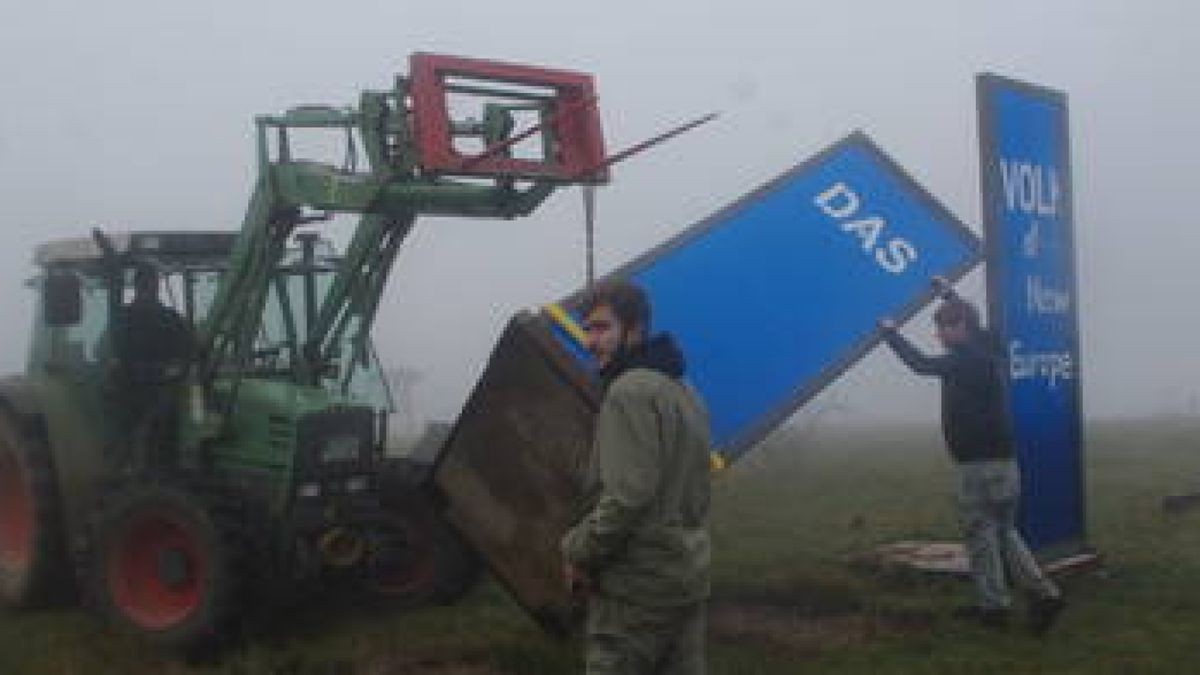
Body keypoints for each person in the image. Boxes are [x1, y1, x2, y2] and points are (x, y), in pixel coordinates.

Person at [878, 277, 1065, 636]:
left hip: (978, 466)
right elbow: (974, 323)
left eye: (944, 329)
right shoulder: (991, 349)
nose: (939, 336)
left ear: (960, 327)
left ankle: (995, 609)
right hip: (1004, 464)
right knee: (1004, 533)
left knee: (981, 538)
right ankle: (1043, 596)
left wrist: (890, 333)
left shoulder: (963, 361)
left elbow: (919, 364)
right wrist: (949, 293)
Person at [561, 280, 712, 674]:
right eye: (587, 329)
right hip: (685, 576)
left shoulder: (629, 392)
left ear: (635, 329)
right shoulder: (683, 390)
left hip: (636, 590)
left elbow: (628, 496)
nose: (591, 342)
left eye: (602, 328)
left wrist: (578, 551)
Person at [111, 263, 192, 465]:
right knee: (154, 416)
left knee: (190, 402)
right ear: (139, 287)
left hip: (170, 385)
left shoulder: (171, 318)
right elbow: (109, 352)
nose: (149, 289)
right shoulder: (123, 319)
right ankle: (131, 458)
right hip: (131, 389)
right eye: (145, 284)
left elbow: (191, 351)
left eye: (151, 284)